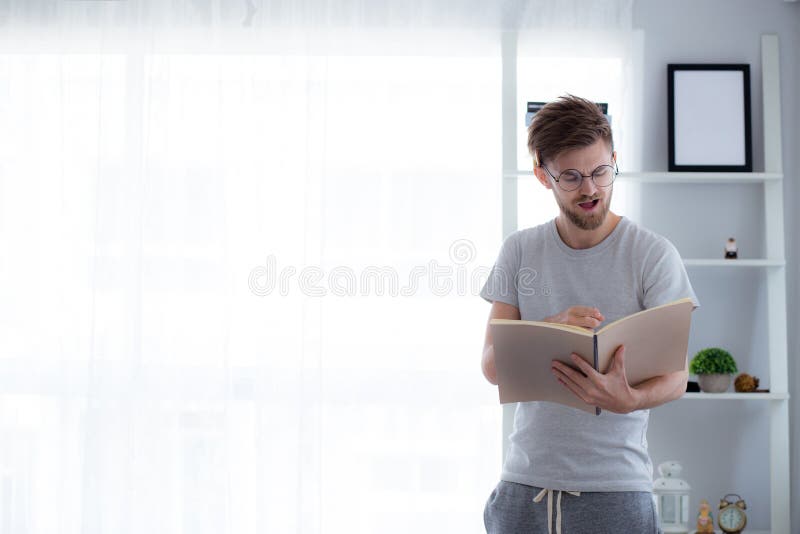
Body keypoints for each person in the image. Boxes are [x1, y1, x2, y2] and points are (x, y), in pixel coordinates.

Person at [479, 95, 699, 534]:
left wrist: (630, 400)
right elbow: (490, 366)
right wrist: (546, 330)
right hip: (523, 490)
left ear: (614, 159)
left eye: (601, 171)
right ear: (543, 175)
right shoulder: (520, 250)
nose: (591, 189)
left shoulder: (653, 255)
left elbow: (677, 375)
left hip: (617, 493)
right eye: (572, 177)